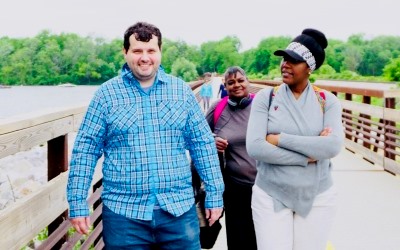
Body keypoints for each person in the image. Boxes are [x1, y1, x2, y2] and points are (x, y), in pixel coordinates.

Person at [66, 21, 224, 250]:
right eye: (137, 51)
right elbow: (86, 150)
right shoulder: (106, 95)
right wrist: (78, 201)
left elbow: (202, 145)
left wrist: (214, 193)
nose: (145, 57)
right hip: (124, 216)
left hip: (178, 212)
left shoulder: (181, 92)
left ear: (160, 52)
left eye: (151, 50)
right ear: (125, 52)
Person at [246, 28, 344, 250]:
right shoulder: (266, 98)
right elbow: (255, 147)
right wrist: (307, 155)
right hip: (270, 193)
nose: (285, 64)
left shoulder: (326, 101)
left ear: (309, 68)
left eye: (294, 61)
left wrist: (279, 139)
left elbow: (333, 145)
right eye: (284, 59)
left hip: (317, 195)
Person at [205, 66, 257, 250]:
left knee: (264, 238)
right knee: (238, 239)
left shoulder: (262, 105)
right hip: (234, 188)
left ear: (248, 81)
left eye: (241, 80)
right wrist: (213, 141)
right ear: (225, 87)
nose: (237, 85)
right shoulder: (218, 108)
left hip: (265, 187)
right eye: (231, 82)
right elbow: (200, 137)